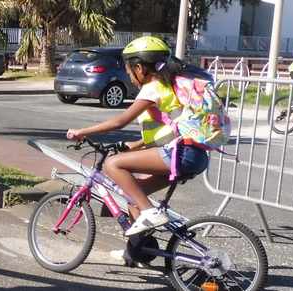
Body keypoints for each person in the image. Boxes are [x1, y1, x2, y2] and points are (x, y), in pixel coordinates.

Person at [66, 36, 210, 237]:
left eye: (129, 72)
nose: (131, 78)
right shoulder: (170, 87)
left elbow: (119, 122)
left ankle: (151, 212)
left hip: (182, 154)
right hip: (196, 155)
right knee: (132, 197)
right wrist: (136, 144)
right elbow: (170, 129)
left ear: (140, 68)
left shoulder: (153, 87)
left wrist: (81, 132)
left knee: (113, 165)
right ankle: (136, 253)